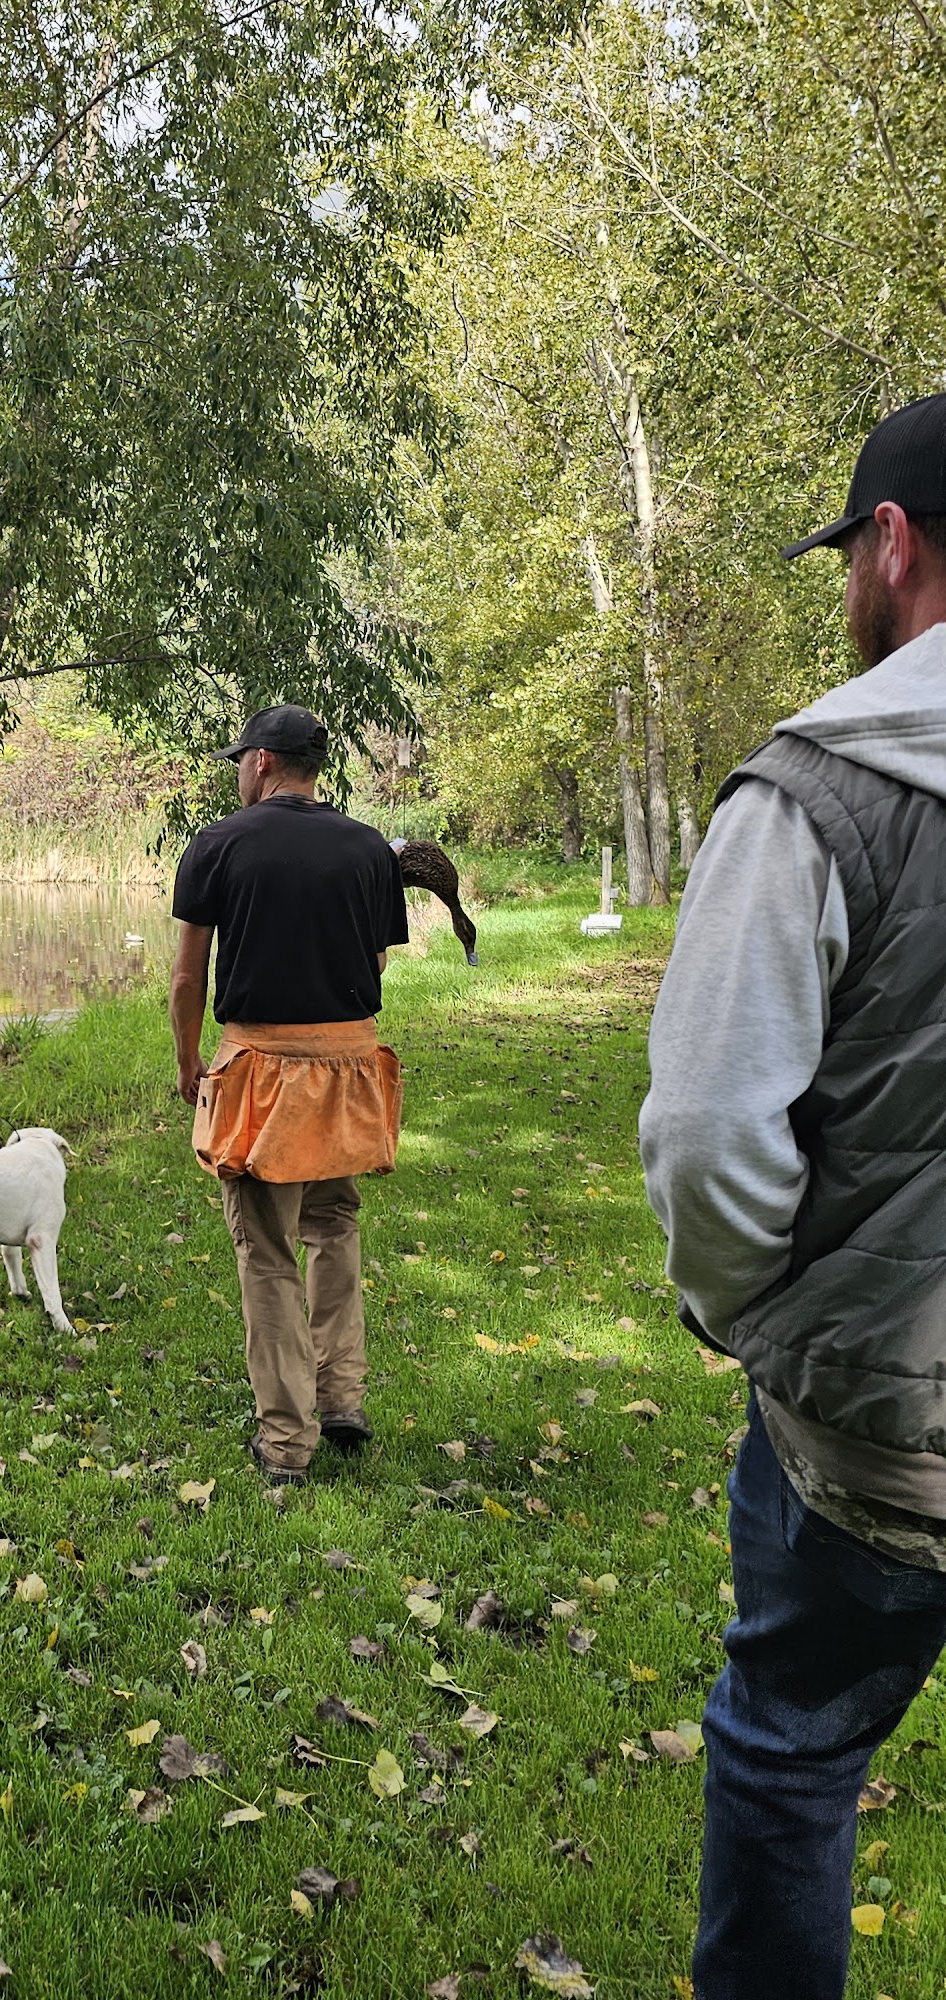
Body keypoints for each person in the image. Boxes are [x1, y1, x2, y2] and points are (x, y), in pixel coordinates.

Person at [640, 392, 946, 2000]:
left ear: (889, 546)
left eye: (848, 556)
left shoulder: (818, 792)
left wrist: (746, 1303)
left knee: (791, 1752)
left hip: (882, 1437)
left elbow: (702, 1129)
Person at [169, 703, 408, 1485]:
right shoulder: (370, 848)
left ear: (264, 762)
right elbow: (373, 963)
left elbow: (186, 977)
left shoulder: (219, 845)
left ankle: (285, 1443)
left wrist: (188, 1064)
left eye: (242, 759)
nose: (239, 771)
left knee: (266, 1249)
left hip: (261, 1072)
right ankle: (342, 1396)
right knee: (333, 1224)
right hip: (347, 1068)